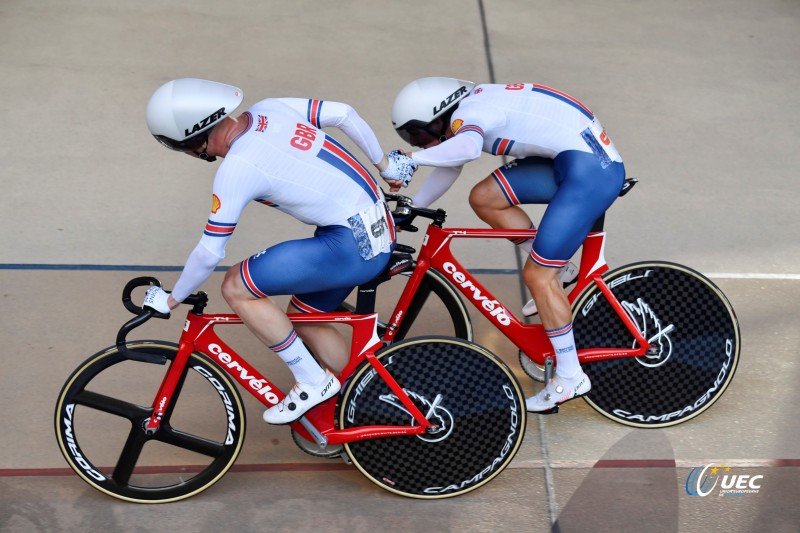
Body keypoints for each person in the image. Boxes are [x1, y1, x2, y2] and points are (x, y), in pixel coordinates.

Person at [142, 78, 415, 424]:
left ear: (194, 139)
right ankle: (364, 402)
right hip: (377, 227)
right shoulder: (270, 108)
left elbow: (210, 253)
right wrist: (385, 167)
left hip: (349, 246)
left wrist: (171, 300)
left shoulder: (238, 167)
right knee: (304, 318)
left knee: (235, 285)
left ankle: (312, 381)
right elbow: (345, 114)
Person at [386, 77, 625, 413]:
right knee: (485, 197)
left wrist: (411, 158)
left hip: (591, 172)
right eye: (413, 137)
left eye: (421, 133)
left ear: (441, 114)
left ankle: (571, 376)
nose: (422, 142)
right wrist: (413, 206)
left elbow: (466, 149)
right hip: (574, 160)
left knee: (537, 277)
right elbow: (451, 161)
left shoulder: (470, 113)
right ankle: (563, 271)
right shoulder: (471, 104)